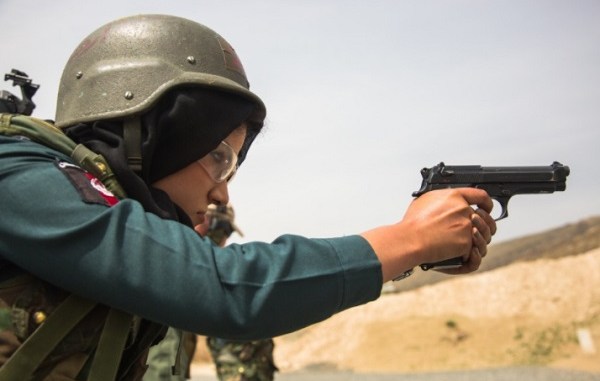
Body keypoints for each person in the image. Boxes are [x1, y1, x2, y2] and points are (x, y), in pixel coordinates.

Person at [0, 14, 496, 380]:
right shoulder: (17, 176)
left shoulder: (90, 204)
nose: (221, 189)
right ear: (152, 134)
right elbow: (224, 287)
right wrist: (409, 239)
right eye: (216, 157)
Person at [144, 204, 277, 381]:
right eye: (225, 230)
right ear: (209, 223)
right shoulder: (183, 268)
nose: (224, 240)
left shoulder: (181, 264)